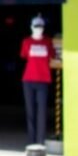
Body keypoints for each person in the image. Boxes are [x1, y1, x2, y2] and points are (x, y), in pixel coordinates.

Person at [20, 15, 54, 145]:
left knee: (42, 111)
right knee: (30, 111)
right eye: (36, 26)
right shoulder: (26, 42)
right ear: (31, 27)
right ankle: (31, 140)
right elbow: (24, 55)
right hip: (28, 79)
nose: (38, 29)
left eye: (40, 26)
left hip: (43, 80)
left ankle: (40, 140)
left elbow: (52, 55)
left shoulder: (48, 42)